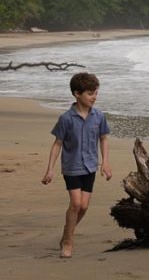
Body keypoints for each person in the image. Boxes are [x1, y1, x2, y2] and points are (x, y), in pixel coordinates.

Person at [41, 72, 112, 258]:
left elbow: (104, 139)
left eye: (96, 93)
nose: (94, 97)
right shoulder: (66, 118)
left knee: (84, 206)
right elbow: (57, 144)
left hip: (90, 166)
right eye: (90, 93)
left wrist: (105, 162)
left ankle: (67, 232)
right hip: (71, 166)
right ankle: (68, 241)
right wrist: (50, 169)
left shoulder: (99, 116)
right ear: (77, 94)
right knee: (76, 203)